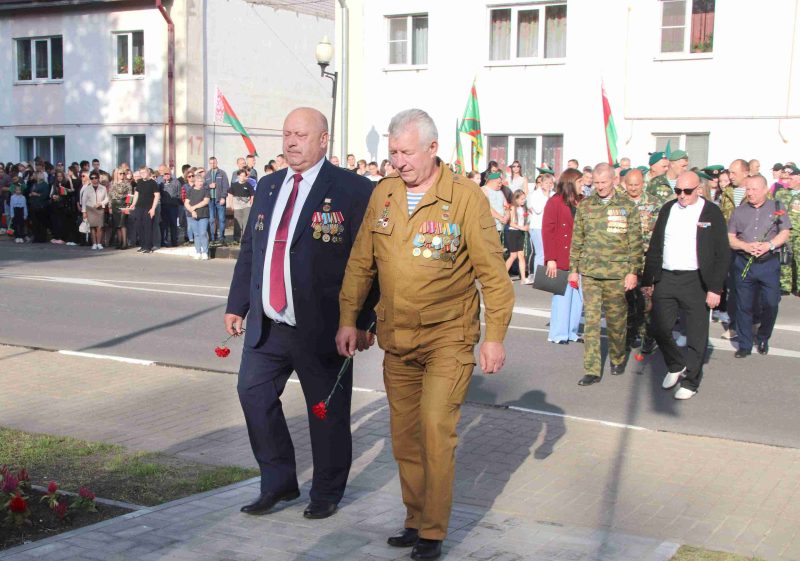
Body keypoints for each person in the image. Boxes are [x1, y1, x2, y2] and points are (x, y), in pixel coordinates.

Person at [337, 108, 514, 561]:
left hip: (447, 339)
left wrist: (494, 335)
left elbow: (493, 274)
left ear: (433, 149)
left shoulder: (466, 199)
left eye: (406, 152)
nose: (398, 161)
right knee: (405, 437)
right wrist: (349, 319)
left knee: (436, 430)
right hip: (397, 338)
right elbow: (361, 262)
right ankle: (415, 519)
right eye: (393, 152)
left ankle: (433, 530)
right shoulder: (386, 194)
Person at [224, 108, 376, 522]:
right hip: (269, 324)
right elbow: (252, 250)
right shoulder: (270, 185)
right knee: (252, 394)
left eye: (300, 135)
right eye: (287, 134)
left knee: (325, 413)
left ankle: (326, 491)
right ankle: (278, 482)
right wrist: (237, 303)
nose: (291, 142)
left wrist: (363, 321)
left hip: (323, 328)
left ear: (323, 140)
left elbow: (370, 261)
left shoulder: (352, 189)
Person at [642, 172, 730, 400]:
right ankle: (675, 364)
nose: (682, 196)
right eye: (678, 191)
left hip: (696, 280)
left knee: (696, 335)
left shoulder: (711, 212)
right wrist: (648, 279)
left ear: (698, 189)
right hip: (667, 277)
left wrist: (715, 288)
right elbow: (656, 244)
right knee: (659, 327)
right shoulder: (668, 209)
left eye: (687, 191)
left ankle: (691, 381)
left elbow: (722, 253)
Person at [569, 163, 642, 386]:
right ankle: (592, 369)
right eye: (597, 183)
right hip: (590, 272)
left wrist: (633, 271)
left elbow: (635, 242)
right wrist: (573, 269)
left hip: (616, 273)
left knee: (616, 321)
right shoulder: (586, 206)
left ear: (613, 181)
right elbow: (577, 238)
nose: (599, 187)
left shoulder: (627, 206)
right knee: (591, 322)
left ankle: (618, 357)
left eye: (604, 182)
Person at [728, 175, 792, 357]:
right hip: (744, 262)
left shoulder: (777, 207)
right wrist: (745, 246)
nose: (751, 193)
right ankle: (745, 344)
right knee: (744, 305)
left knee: (771, 303)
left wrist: (769, 245)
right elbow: (731, 238)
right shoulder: (739, 211)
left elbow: (784, 232)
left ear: (765, 190)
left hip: (768, 263)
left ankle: (763, 336)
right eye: (748, 189)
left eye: (755, 189)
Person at [543, 168, 583, 344]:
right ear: (571, 183)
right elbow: (548, 230)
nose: (584, 184)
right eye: (580, 181)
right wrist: (550, 258)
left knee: (577, 296)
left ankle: (572, 331)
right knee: (562, 295)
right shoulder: (555, 202)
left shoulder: (582, 201)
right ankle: (558, 333)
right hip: (561, 254)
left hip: (579, 256)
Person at [622, 168, 661, 351]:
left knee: (646, 299)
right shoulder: (618, 201)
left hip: (646, 258)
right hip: (624, 258)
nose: (633, 188)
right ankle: (630, 335)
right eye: (630, 185)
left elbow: (659, 232)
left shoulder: (653, 203)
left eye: (637, 185)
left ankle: (647, 337)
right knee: (627, 298)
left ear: (643, 184)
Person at [527, 171, 554, 275]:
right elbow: (538, 209)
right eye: (546, 183)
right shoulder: (535, 194)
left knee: (548, 252)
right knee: (541, 252)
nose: (548, 185)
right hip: (537, 226)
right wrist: (547, 197)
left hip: (548, 227)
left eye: (550, 183)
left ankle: (545, 274)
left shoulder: (553, 194)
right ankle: (537, 276)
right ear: (541, 183)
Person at [130, 166, 160, 253]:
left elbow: (157, 196)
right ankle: (142, 245)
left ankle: (148, 247)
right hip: (139, 207)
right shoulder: (139, 182)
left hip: (148, 207)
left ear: (148, 172)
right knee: (139, 226)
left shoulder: (153, 183)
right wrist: (133, 204)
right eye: (141, 173)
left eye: (144, 172)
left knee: (148, 227)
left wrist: (153, 208)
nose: (143, 174)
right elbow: (136, 194)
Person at [506, 190, 530, 283]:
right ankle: (504, 275)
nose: (524, 201)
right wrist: (521, 227)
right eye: (522, 199)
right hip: (513, 233)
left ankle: (523, 278)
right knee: (513, 255)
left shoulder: (523, 208)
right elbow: (511, 223)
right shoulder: (512, 208)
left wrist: (526, 226)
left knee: (521, 255)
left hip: (520, 233)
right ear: (516, 199)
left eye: (524, 199)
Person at [185, 173, 210, 259]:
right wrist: (192, 211)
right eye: (198, 181)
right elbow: (186, 203)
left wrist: (194, 207)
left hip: (203, 215)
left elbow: (205, 201)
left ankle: (205, 252)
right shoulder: (190, 191)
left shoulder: (205, 190)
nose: (200, 183)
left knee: (203, 233)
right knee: (196, 234)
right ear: (195, 182)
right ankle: (198, 251)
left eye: (201, 181)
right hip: (192, 215)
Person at [80, 172, 108, 250]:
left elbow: (107, 198)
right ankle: (94, 243)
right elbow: (84, 200)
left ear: (98, 178)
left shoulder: (103, 188)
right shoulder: (87, 188)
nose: (94, 179)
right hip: (90, 208)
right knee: (92, 227)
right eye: (92, 178)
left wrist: (101, 203)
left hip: (99, 208)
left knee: (100, 227)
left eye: (95, 178)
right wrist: (84, 212)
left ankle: (99, 243)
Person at [206, 157, 230, 245]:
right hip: (210, 200)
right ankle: (212, 237)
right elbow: (204, 187)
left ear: (217, 162)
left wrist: (223, 197)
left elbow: (226, 186)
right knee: (212, 219)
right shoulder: (207, 174)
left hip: (220, 199)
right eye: (211, 163)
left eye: (214, 163)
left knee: (222, 219)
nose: (212, 164)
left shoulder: (222, 173)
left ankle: (222, 238)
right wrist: (209, 186)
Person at [226, 169, 254, 243]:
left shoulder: (248, 185)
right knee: (237, 222)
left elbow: (252, 195)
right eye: (241, 175)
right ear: (238, 176)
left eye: (244, 176)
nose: (242, 177)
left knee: (246, 222)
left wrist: (251, 202)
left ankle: (246, 238)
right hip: (237, 206)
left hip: (246, 206)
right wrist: (231, 205)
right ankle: (236, 238)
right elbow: (230, 195)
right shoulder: (234, 185)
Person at [108, 168, 132, 250]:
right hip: (115, 204)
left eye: (123, 173)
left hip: (123, 203)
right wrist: (110, 206)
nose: (122, 175)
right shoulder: (113, 184)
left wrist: (128, 206)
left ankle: (125, 243)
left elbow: (130, 196)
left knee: (123, 224)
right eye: (120, 173)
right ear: (117, 174)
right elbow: (110, 196)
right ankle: (119, 242)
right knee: (117, 225)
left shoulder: (127, 184)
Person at [48, 170, 73, 245]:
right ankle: (56, 237)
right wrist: (53, 196)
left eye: (61, 176)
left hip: (63, 205)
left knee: (62, 222)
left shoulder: (66, 183)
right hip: (55, 205)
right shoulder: (54, 184)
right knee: (55, 222)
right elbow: (51, 194)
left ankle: (62, 238)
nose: (59, 178)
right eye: (58, 176)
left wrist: (61, 194)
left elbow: (70, 192)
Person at [159, 167, 181, 247]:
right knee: (163, 225)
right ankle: (163, 241)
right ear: (163, 175)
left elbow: (179, 194)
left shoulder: (176, 182)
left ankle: (174, 241)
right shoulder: (160, 183)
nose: (167, 175)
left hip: (173, 207)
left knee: (173, 224)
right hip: (164, 206)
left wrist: (176, 202)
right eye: (165, 174)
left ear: (170, 174)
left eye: (168, 174)